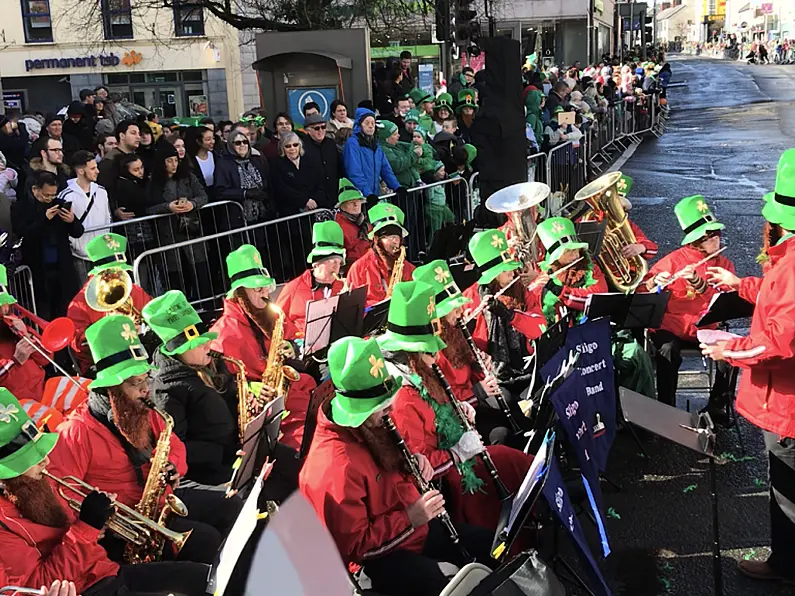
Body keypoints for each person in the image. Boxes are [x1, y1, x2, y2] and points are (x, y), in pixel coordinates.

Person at [300, 335, 495, 596]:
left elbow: (389, 468)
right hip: (377, 560)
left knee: (488, 546)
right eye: (380, 407)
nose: (390, 410)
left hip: (412, 529)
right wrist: (411, 517)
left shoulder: (371, 425)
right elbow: (358, 547)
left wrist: (413, 463)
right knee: (453, 584)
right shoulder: (333, 466)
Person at [47, 314, 242, 565]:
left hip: (158, 505)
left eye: (146, 378)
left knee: (232, 507)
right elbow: (59, 494)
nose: (145, 389)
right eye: (135, 382)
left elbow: (175, 445)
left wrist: (174, 465)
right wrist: (96, 518)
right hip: (123, 530)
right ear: (111, 389)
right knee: (204, 540)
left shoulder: (143, 408)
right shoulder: (76, 431)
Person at [0, 387, 211, 594]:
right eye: (30, 460)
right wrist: (86, 527)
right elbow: (39, 584)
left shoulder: (36, 481)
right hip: (90, 587)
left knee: (204, 577)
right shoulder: (4, 525)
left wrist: (99, 518)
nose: (45, 461)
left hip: (105, 571)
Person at [378, 282, 533, 548]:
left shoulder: (422, 370)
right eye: (429, 347)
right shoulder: (402, 397)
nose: (437, 353)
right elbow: (420, 467)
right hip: (449, 477)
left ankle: (542, 502)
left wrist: (457, 407)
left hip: (456, 455)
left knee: (510, 460)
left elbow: (440, 410)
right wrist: (457, 453)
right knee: (506, 461)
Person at [702, 150, 795, 584]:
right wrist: (742, 284)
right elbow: (781, 300)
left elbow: (778, 339)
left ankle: (786, 566)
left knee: (787, 491)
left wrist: (727, 349)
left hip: (788, 405)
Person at [209, 244, 318, 452]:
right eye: (258, 288)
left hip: (295, 393)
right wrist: (250, 388)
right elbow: (221, 386)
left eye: (266, 286)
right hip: (266, 411)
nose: (266, 292)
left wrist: (293, 347)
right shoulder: (222, 334)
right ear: (239, 294)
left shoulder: (272, 314)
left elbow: (296, 337)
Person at [644, 195, 736, 418]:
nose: (716, 240)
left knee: (733, 351)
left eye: (716, 234)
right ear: (696, 240)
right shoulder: (674, 259)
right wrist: (654, 282)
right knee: (667, 349)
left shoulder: (723, 264)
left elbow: (728, 299)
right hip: (672, 326)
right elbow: (643, 289)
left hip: (705, 327)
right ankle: (666, 409)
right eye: (709, 237)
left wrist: (698, 282)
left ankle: (717, 406)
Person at [145, 290, 240, 489]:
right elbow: (178, 445)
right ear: (180, 351)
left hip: (238, 451)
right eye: (198, 344)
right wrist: (222, 452)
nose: (208, 344)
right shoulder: (166, 389)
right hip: (214, 471)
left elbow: (231, 396)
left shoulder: (211, 362)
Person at [462, 230, 546, 395]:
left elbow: (539, 327)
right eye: (504, 269)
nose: (512, 272)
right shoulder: (470, 299)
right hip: (494, 378)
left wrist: (511, 315)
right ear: (491, 275)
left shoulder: (521, 291)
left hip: (527, 369)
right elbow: (467, 351)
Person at [67, 233, 152, 376]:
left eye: (120, 271)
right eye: (111, 273)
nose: (118, 275)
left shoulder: (133, 290)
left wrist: (142, 328)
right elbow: (78, 346)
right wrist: (110, 332)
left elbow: (153, 315)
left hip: (139, 353)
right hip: (103, 363)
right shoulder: (80, 302)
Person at [12, 170, 84, 320]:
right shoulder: (20, 207)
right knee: (43, 313)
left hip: (62, 267)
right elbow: (23, 233)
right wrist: (44, 218)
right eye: (46, 195)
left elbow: (78, 231)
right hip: (38, 269)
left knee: (65, 311)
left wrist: (71, 221)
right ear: (35, 189)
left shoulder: (59, 204)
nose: (50, 198)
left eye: (53, 194)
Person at [146, 143, 210, 299]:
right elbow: (148, 208)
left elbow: (203, 196)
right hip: (169, 236)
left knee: (200, 275)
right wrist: (167, 207)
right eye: (169, 161)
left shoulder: (188, 177)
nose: (173, 165)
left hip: (191, 232)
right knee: (176, 281)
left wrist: (192, 204)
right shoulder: (153, 183)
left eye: (175, 160)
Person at [275, 221, 347, 339]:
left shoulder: (342, 286)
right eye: (330, 261)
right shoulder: (293, 288)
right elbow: (276, 321)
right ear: (316, 264)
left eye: (339, 262)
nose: (335, 267)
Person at [58, 151, 112, 285]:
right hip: (79, 254)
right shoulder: (66, 195)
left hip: (101, 252)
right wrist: (75, 246)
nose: (97, 171)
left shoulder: (102, 191)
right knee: (85, 292)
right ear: (81, 171)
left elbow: (107, 219)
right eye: (93, 168)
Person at [346, 202, 416, 306]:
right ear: (376, 239)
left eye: (397, 237)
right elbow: (353, 308)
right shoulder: (358, 269)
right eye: (388, 237)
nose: (395, 242)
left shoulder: (410, 269)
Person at [0, 265, 50, 402]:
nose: (4, 310)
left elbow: (47, 358)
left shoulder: (15, 325)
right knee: (53, 418)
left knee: (86, 392)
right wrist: (16, 361)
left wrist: (27, 336)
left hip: (43, 388)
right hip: (16, 403)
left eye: (5, 305)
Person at [215, 129, 272, 225]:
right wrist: (245, 193)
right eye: (238, 143)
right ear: (230, 145)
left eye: (245, 142)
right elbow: (220, 191)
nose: (242, 145)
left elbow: (266, 181)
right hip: (239, 217)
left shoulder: (255, 160)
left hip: (261, 214)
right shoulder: (224, 164)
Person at [343, 108, 401, 198]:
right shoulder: (353, 144)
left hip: (373, 194)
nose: (370, 126)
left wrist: (397, 187)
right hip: (359, 197)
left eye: (373, 123)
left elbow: (386, 169)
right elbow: (354, 172)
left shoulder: (376, 145)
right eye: (367, 123)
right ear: (359, 125)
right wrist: (367, 193)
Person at [300, 113, 341, 209]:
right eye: (317, 128)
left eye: (323, 127)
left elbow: (339, 168)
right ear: (308, 130)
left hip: (334, 196)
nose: (321, 131)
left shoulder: (331, 144)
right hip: (315, 200)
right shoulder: (302, 146)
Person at [97, 120, 140, 197]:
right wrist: (114, 208)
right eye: (133, 133)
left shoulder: (136, 157)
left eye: (139, 133)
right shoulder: (109, 161)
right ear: (122, 136)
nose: (138, 137)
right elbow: (104, 190)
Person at [335, 178, 372, 265]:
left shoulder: (365, 222)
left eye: (358, 201)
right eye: (351, 202)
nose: (356, 205)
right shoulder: (338, 227)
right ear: (342, 206)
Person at [379, 120, 420, 188]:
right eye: (395, 134)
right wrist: (414, 155)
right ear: (386, 138)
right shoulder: (383, 149)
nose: (398, 136)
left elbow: (409, 146)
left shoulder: (395, 144)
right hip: (400, 188)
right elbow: (397, 164)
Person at [186, 126, 216, 199]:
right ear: (199, 141)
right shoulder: (191, 160)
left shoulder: (216, 156)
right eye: (208, 139)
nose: (212, 142)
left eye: (213, 138)